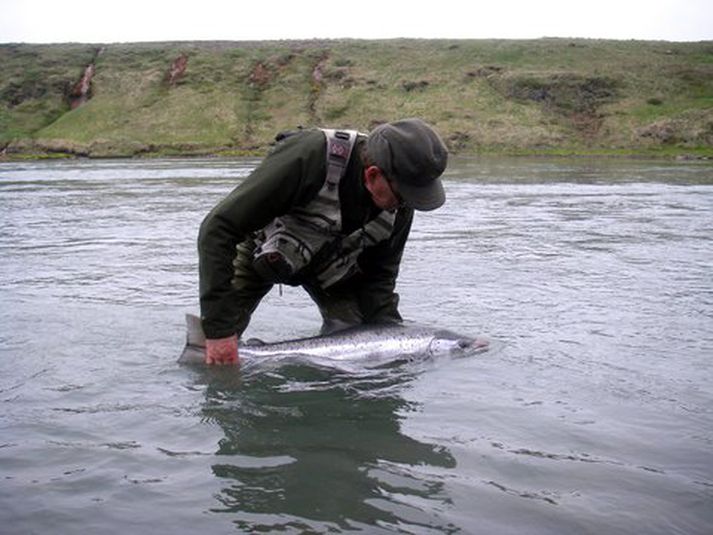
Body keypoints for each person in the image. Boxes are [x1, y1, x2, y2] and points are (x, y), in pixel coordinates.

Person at [197, 118, 448, 365]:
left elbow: (379, 279)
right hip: (266, 255)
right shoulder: (309, 156)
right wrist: (219, 332)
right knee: (212, 349)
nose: (407, 205)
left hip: (333, 271)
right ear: (372, 176)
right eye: (404, 197)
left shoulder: (401, 199)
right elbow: (218, 229)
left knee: (360, 348)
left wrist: (393, 341)